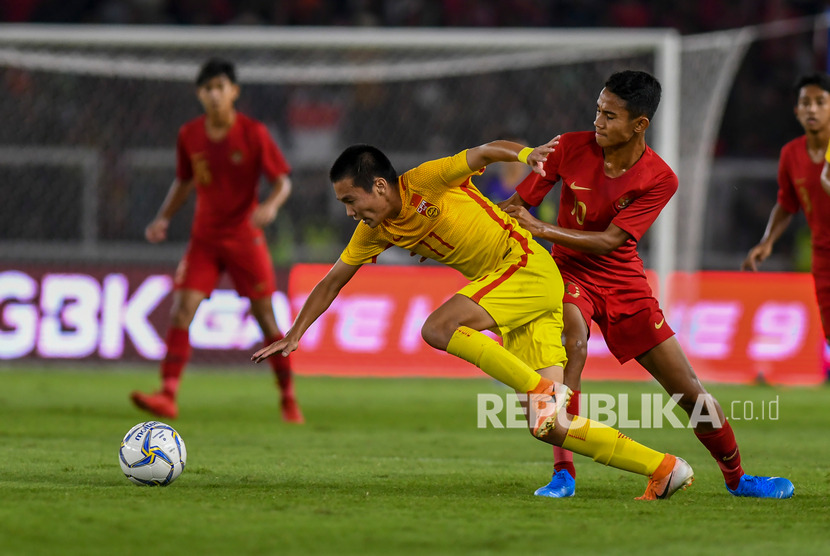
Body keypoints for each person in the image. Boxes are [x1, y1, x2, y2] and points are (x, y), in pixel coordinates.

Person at [252, 139, 695, 500]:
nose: (350, 211)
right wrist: (295, 333)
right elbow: (333, 280)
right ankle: (663, 468)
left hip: (524, 266)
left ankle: (539, 386)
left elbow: (483, 153)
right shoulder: (375, 230)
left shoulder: (426, 179)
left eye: (352, 199)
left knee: (437, 328)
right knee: (548, 426)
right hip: (514, 293)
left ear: (381, 187)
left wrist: (525, 155)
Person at [501, 70, 794, 499]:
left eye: (610, 115)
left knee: (688, 391)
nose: (598, 121)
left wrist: (542, 230)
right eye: (598, 110)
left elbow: (610, 241)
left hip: (623, 282)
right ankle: (563, 474)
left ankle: (738, 478)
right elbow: (515, 206)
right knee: (572, 346)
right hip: (566, 272)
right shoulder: (567, 147)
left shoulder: (660, 177)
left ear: (640, 124)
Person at [131, 58, 303, 423]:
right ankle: (167, 395)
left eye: (220, 87)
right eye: (207, 89)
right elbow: (184, 181)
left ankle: (288, 397)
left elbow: (283, 181)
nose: (213, 94)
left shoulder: (253, 133)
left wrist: (270, 206)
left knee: (267, 321)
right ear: (199, 94)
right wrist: (163, 217)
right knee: (181, 309)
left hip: (245, 239)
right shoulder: (189, 135)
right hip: (205, 240)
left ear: (234, 92)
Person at [745, 72, 830, 381]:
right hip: (823, 254)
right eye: (805, 103)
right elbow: (787, 203)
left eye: (821, 102)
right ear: (796, 110)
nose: (812, 109)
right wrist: (767, 241)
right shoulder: (791, 154)